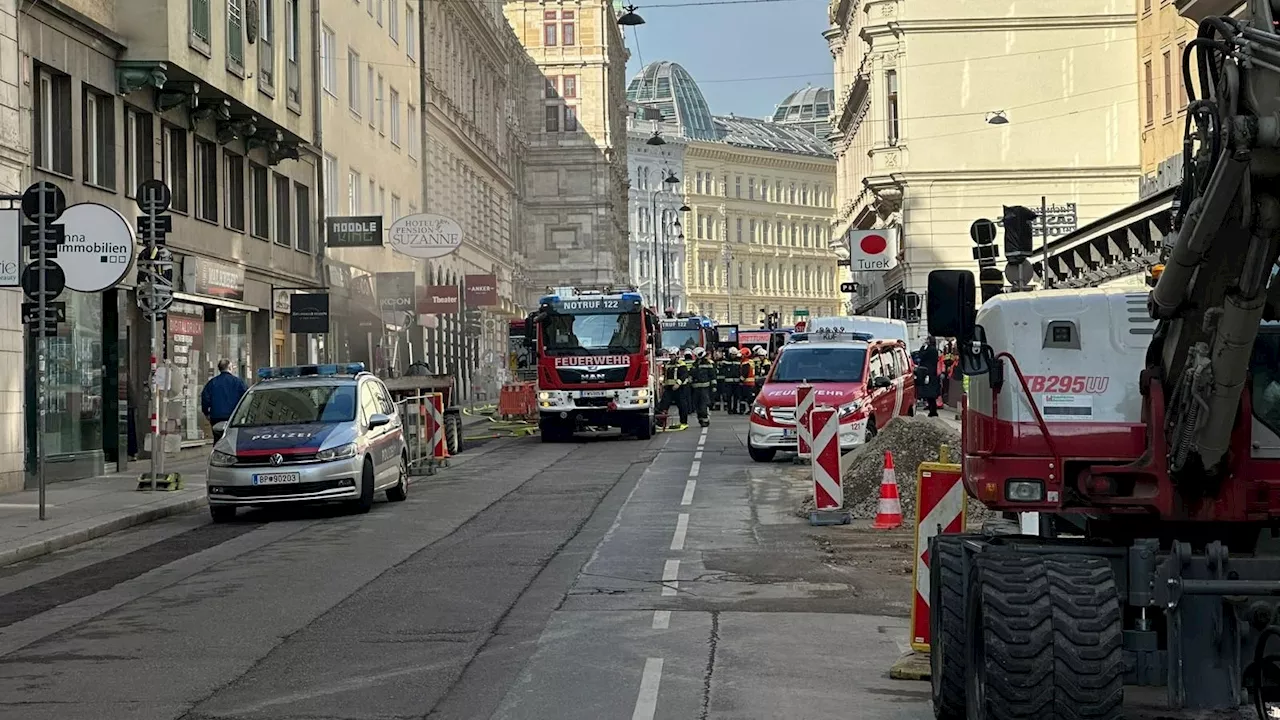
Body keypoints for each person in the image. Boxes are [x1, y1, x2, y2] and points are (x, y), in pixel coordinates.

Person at [201, 359, 248, 440]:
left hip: (216, 416)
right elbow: (246, 398)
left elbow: (205, 398)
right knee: (233, 439)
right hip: (234, 417)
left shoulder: (212, 383)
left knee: (218, 439)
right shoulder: (238, 382)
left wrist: (206, 413)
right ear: (229, 368)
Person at [658, 347, 690, 430]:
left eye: (673, 355)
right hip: (669, 388)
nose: (671, 357)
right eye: (670, 355)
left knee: (682, 406)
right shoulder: (668, 364)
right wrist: (663, 384)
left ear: (677, 355)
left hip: (679, 388)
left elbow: (684, 375)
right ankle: (661, 423)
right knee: (663, 405)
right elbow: (665, 375)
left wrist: (678, 383)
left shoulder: (681, 364)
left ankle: (684, 423)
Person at [690, 347, 716, 427]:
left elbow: (712, 376)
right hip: (695, 388)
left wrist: (714, 386)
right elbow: (691, 374)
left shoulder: (708, 364)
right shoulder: (694, 364)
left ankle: (705, 420)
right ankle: (700, 419)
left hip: (705, 388)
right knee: (697, 405)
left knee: (703, 405)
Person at [917, 337, 941, 417]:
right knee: (930, 394)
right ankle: (932, 409)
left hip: (928, 374)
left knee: (929, 393)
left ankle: (933, 411)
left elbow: (921, 355)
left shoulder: (930, 350)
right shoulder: (934, 350)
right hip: (932, 373)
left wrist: (923, 347)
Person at [722, 347, 743, 414]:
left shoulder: (738, 361)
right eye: (732, 354)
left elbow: (740, 370)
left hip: (736, 381)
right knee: (729, 396)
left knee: (736, 396)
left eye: (735, 354)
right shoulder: (725, 361)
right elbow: (722, 371)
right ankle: (729, 409)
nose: (733, 356)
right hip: (728, 382)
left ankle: (735, 409)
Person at [737, 348, 756, 414]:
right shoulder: (751, 361)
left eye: (742, 355)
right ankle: (751, 410)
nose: (740, 356)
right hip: (751, 383)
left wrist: (741, 381)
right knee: (750, 398)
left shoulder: (745, 362)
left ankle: (742, 410)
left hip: (746, 383)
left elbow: (745, 373)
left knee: (743, 397)